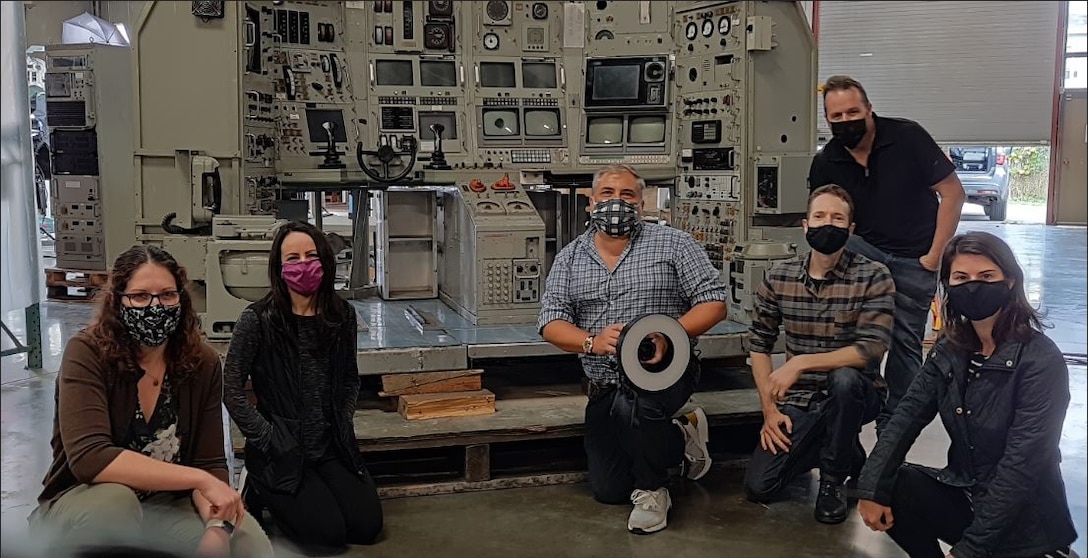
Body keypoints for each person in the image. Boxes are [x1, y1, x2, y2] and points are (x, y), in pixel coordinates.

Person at [29, 245, 273, 558]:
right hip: (85, 499)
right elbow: (90, 458)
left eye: (167, 295)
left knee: (247, 539)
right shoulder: (87, 353)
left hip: (166, 503)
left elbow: (209, 462)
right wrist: (198, 479)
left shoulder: (203, 363)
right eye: (140, 296)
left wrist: (218, 529)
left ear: (181, 300)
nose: (155, 307)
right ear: (117, 301)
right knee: (115, 505)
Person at [855, 231, 1078, 558]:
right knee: (896, 483)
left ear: (1011, 280)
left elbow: (1021, 467)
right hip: (970, 495)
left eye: (987, 276)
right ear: (947, 285)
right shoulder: (950, 348)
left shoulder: (1040, 360)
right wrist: (872, 488)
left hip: (1027, 523)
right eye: (961, 277)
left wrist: (969, 551)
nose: (973, 285)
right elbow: (907, 415)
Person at [537, 164, 728, 534]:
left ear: (641, 204)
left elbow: (714, 303)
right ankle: (682, 435)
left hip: (666, 370)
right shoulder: (570, 257)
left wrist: (667, 334)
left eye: (627, 195)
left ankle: (654, 490)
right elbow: (551, 323)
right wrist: (592, 342)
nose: (616, 202)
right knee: (609, 490)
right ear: (590, 203)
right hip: (605, 381)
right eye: (607, 194)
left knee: (636, 408)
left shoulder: (675, 244)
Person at [808, 75, 966, 427]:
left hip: (915, 257)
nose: (846, 121)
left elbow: (953, 194)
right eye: (837, 116)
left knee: (905, 345)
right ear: (828, 120)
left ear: (869, 109)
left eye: (853, 111)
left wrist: (934, 256)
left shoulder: (907, 137)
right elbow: (824, 218)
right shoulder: (827, 161)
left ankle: (894, 432)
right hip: (862, 254)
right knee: (857, 341)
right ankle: (852, 416)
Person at [224, 221, 382, 556]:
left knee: (367, 528)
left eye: (311, 255)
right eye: (293, 257)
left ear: (325, 261)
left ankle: (316, 490)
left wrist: (342, 421)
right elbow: (232, 390)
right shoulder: (258, 320)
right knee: (328, 537)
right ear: (279, 268)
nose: (303, 264)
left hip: (330, 446)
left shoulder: (341, 316)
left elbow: (350, 379)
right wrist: (268, 439)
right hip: (281, 451)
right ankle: (261, 486)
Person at [743, 185, 895, 525]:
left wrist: (800, 362)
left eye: (838, 218)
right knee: (760, 485)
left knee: (843, 379)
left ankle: (832, 480)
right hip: (801, 399)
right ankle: (845, 449)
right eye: (820, 216)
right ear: (805, 225)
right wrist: (769, 409)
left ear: (850, 229)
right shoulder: (779, 277)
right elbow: (760, 344)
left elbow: (871, 349)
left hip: (859, 391)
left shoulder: (874, 276)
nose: (828, 223)